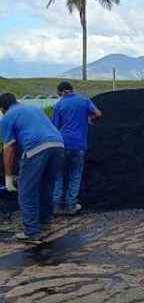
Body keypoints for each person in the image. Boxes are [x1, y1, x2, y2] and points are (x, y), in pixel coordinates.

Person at [0, 93, 64, 243]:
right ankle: (45, 223)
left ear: (3, 108)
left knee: (26, 191)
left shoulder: (8, 116)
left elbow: (9, 148)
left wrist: (8, 177)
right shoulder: (33, 109)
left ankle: (31, 232)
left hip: (36, 147)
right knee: (46, 187)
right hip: (58, 145)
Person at [52, 81, 102, 215]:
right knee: (75, 174)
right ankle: (71, 206)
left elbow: (55, 127)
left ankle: (56, 206)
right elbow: (98, 113)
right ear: (71, 90)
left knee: (59, 175)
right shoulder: (84, 100)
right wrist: (89, 119)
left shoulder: (59, 105)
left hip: (62, 144)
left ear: (62, 92)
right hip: (79, 144)